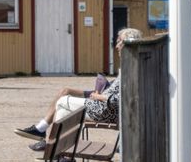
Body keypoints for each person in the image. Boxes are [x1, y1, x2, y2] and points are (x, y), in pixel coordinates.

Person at [15, 27, 143, 139]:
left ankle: (45, 136)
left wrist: (99, 96)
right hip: (104, 106)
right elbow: (118, 91)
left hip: (104, 110)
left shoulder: (131, 68)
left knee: (62, 102)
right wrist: (101, 89)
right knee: (64, 101)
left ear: (130, 43)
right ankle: (55, 147)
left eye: (120, 42)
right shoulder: (130, 64)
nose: (117, 46)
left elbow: (121, 99)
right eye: (118, 42)